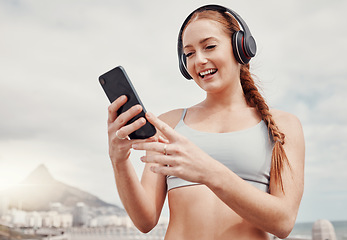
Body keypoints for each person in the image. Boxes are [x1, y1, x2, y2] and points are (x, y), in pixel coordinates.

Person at [107, 4, 305, 240]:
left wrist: (209, 171)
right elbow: (145, 220)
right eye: (189, 53)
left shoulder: (284, 126)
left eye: (209, 46)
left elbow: (283, 222)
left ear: (240, 48)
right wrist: (119, 162)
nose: (199, 60)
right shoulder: (169, 123)